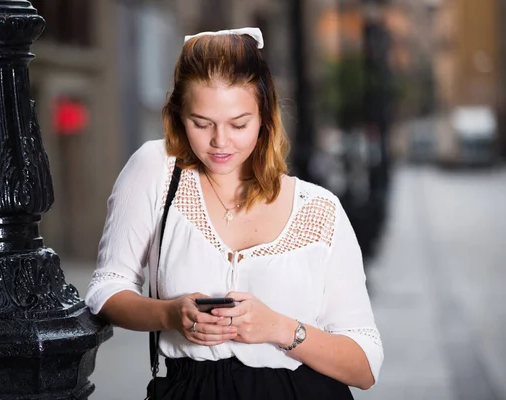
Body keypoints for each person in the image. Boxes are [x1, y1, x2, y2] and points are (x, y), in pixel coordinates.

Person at [85, 27, 383, 400]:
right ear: (178, 116)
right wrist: (170, 315)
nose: (220, 142)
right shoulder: (156, 170)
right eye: (201, 123)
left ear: (265, 118)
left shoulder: (321, 210)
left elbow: (365, 365)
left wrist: (278, 328)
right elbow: (106, 287)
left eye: (239, 124)